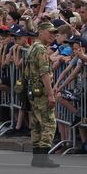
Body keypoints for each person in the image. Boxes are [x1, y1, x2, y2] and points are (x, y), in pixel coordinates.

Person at [25, 24, 60, 166]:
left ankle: (37, 156)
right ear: (40, 32)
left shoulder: (32, 47)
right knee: (48, 123)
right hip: (41, 90)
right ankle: (43, 157)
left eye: (54, 33)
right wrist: (51, 94)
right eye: (49, 32)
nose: (52, 36)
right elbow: (44, 73)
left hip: (33, 89)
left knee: (37, 123)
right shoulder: (40, 49)